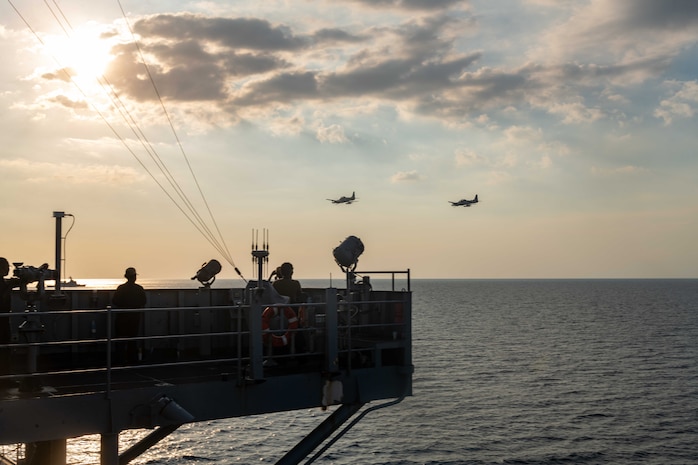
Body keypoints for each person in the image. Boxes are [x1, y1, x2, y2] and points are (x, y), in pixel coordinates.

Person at [112, 267, 146, 364]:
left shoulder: (121, 288)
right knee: (133, 340)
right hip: (134, 317)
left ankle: (120, 360)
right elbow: (144, 301)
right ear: (134, 277)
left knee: (120, 340)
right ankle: (132, 359)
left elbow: (115, 301)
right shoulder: (139, 289)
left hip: (122, 317)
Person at [0, 258, 21, 376]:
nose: (8, 269)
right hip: (2, 319)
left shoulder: (4, 282)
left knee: (6, 348)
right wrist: (10, 286)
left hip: (5, 319)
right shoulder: (3, 284)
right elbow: (2, 298)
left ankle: (6, 376)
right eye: (5, 266)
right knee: (3, 349)